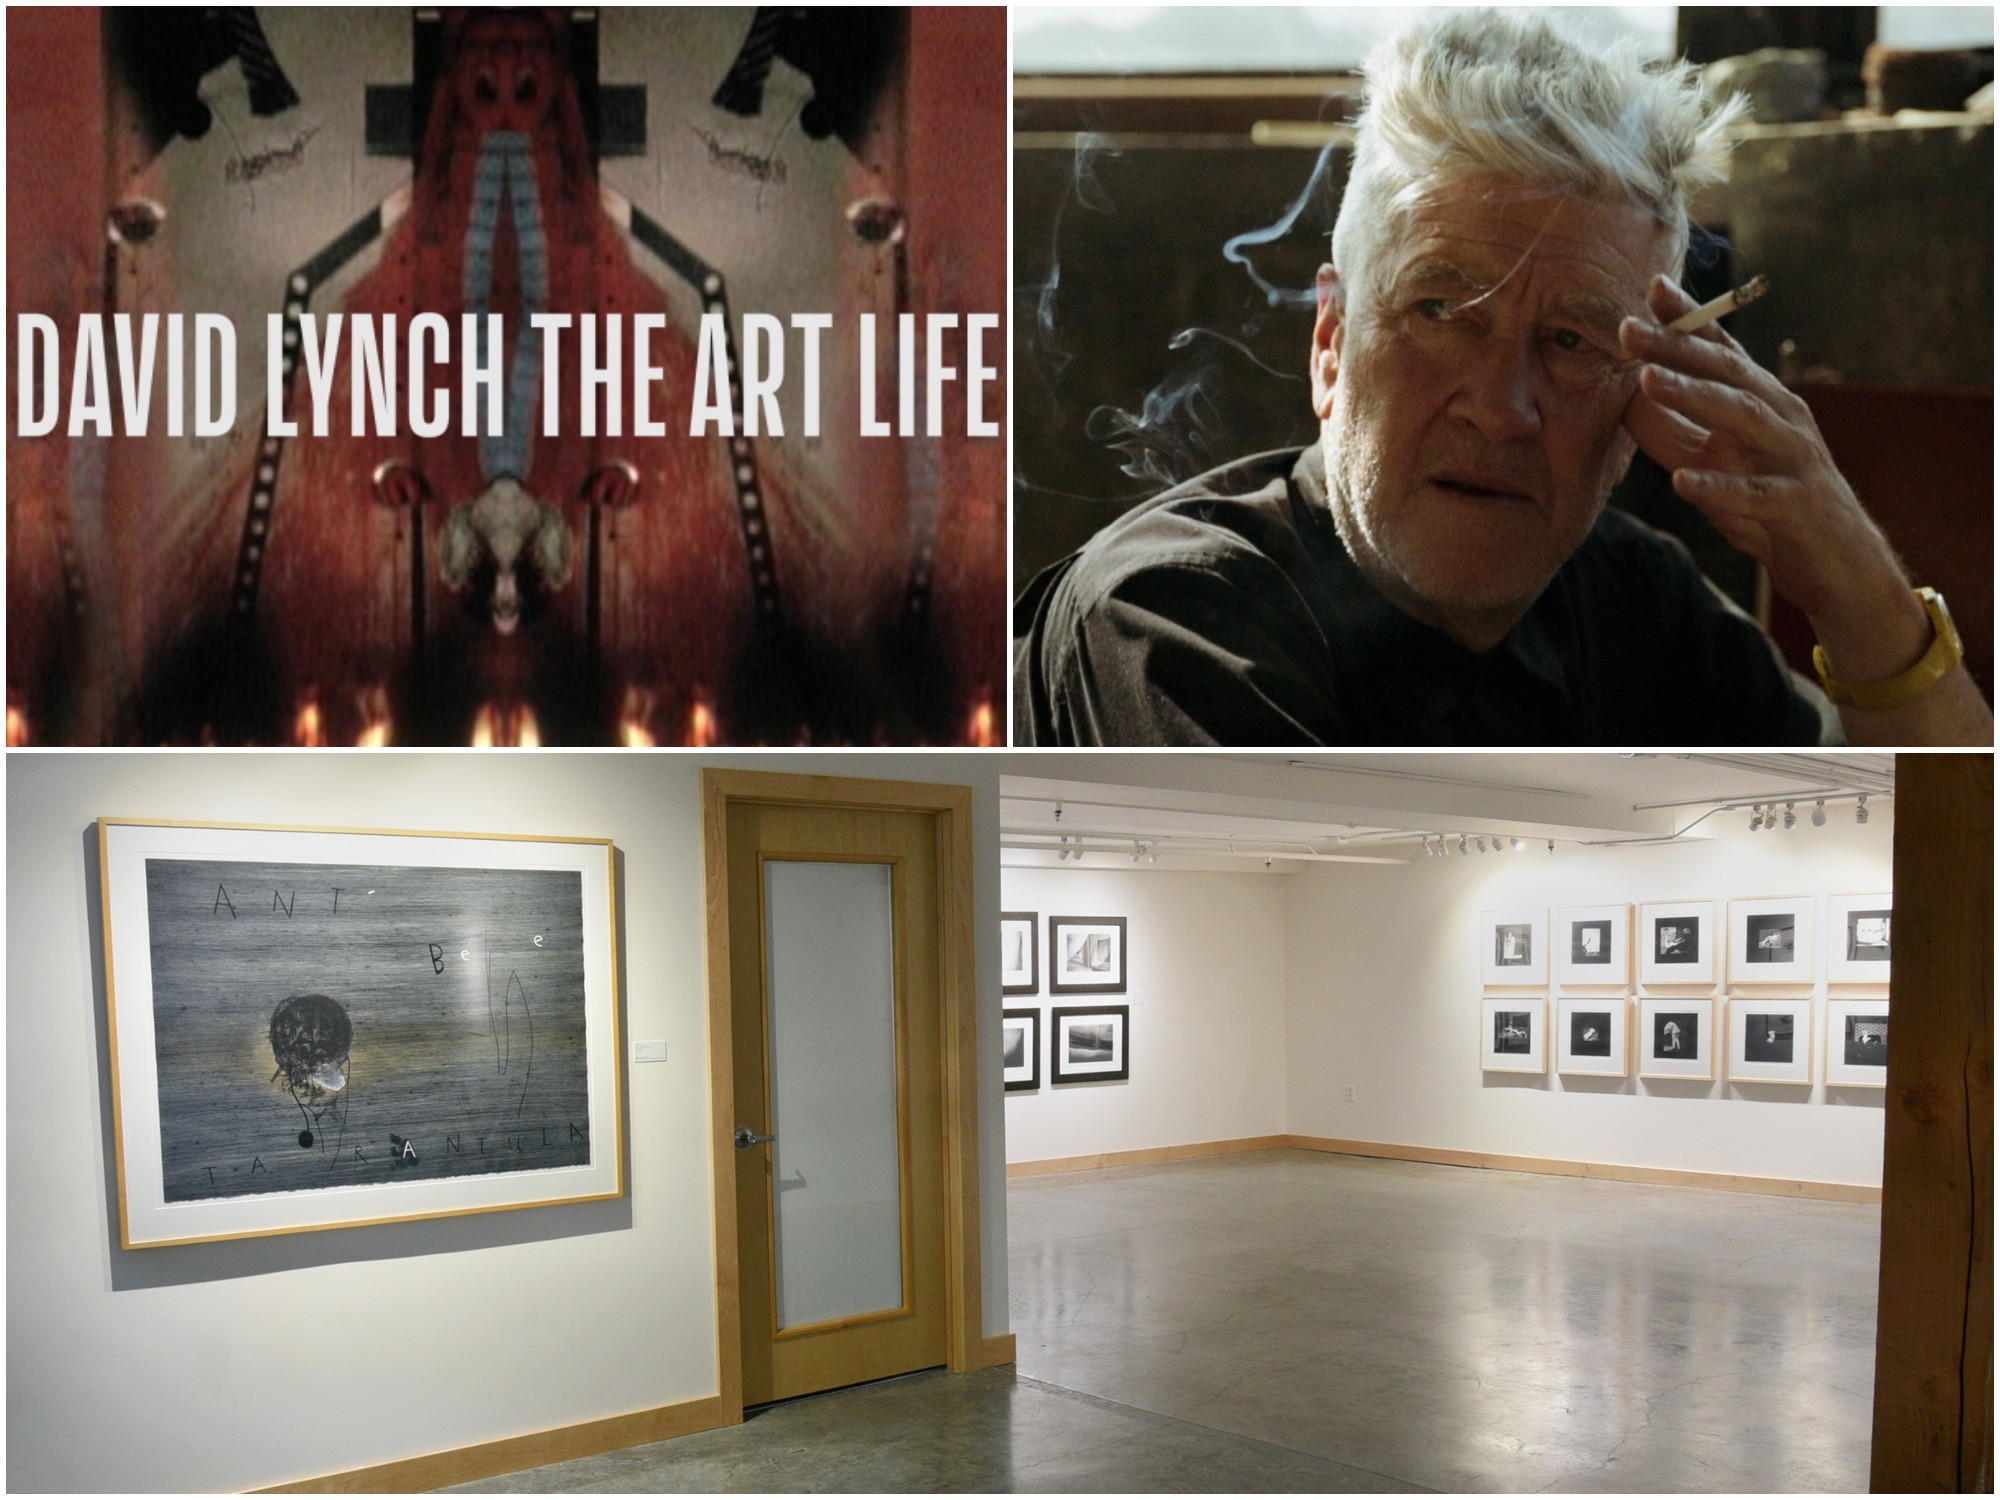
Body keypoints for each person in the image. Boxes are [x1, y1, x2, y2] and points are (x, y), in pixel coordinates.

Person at [1014, 10, 1992, 746]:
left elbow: (1957, 904)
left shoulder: (1638, 608)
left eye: (1570, 341)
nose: (1499, 406)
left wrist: (1856, 589)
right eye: (1439, 312)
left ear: (1639, 403)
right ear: (1328, 345)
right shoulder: (1173, 618)